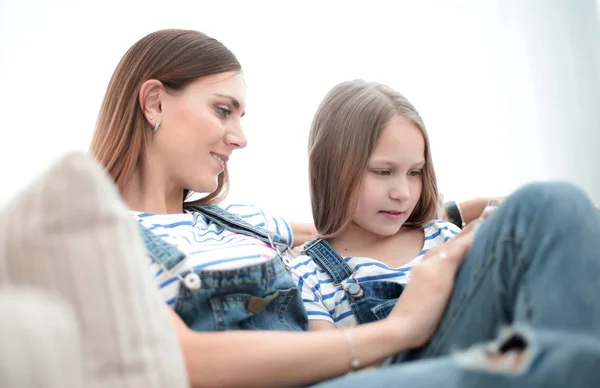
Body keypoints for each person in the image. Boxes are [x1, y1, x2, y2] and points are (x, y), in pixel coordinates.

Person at [89, 29, 600, 388]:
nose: (241, 137)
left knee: (547, 204)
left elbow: (354, 225)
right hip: (334, 371)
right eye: (224, 110)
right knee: (559, 363)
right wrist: (397, 330)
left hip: (392, 352)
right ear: (154, 102)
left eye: (241, 116)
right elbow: (187, 362)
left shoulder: (238, 222)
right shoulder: (103, 239)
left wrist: (487, 220)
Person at [290, 80, 463, 329]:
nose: (402, 193)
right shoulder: (308, 278)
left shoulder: (447, 239)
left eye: (415, 172)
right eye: (382, 172)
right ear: (326, 168)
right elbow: (335, 365)